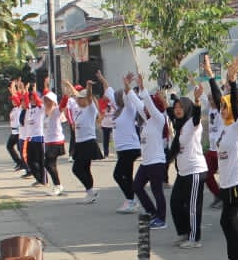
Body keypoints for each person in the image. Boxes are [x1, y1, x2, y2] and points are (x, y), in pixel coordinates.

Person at [205, 55, 238, 260]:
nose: (222, 108)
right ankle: (236, 258)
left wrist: (233, 83)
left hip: (237, 182)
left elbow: (232, 103)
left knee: (228, 220)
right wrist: (210, 76)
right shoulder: (226, 127)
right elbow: (219, 98)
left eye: (225, 107)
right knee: (226, 222)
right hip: (227, 182)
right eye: (221, 106)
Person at [170, 82, 208, 247]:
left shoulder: (193, 124)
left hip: (195, 170)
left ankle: (194, 239)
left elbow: (198, 115)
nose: (178, 109)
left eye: (181, 107)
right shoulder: (179, 126)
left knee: (193, 206)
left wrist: (197, 100)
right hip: (183, 172)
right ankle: (185, 232)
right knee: (175, 202)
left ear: (187, 108)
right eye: (176, 107)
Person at [130, 80, 170, 230]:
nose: (145, 108)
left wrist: (143, 88)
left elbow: (149, 105)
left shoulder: (159, 119)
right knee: (137, 187)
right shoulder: (147, 120)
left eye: (149, 106)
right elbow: (138, 102)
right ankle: (152, 213)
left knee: (157, 191)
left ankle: (161, 219)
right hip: (146, 162)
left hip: (156, 162)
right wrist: (128, 89)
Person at [110, 73, 143, 214]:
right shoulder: (118, 110)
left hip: (130, 147)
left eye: (119, 97)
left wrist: (126, 85)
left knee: (117, 174)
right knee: (127, 176)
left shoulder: (129, 109)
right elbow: (110, 93)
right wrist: (103, 80)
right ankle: (131, 201)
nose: (116, 99)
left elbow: (126, 96)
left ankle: (132, 200)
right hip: (122, 149)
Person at [65, 80, 103, 203]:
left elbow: (89, 97)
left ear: (86, 100)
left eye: (81, 99)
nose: (77, 100)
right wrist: (69, 86)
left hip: (88, 142)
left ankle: (90, 190)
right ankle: (90, 193)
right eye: (77, 99)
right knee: (85, 169)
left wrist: (88, 87)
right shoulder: (79, 110)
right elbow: (75, 94)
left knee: (76, 168)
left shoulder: (90, 110)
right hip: (80, 143)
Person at [41, 78, 66, 196]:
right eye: (45, 100)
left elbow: (64, 103)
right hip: (48, 142)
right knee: (50, 164)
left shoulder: (56, 111)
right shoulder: (44, 112)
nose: (46, 102)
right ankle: (58, 185)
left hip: (56, 141)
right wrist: (45, 85)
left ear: (53, 102)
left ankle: (58, 185)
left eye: (49, 101)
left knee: (48, 164)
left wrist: (67, 88)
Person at [5, 80, 29, 176]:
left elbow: (19, 96)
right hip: (14, 132)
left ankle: (26, 166)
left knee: (21, 150)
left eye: (14, 100)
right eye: (12, 100)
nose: (13, 101)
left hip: (18, 133)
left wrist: (14, 88)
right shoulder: (14, 109)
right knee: (10, 147)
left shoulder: (19, 107)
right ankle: (20, 163)